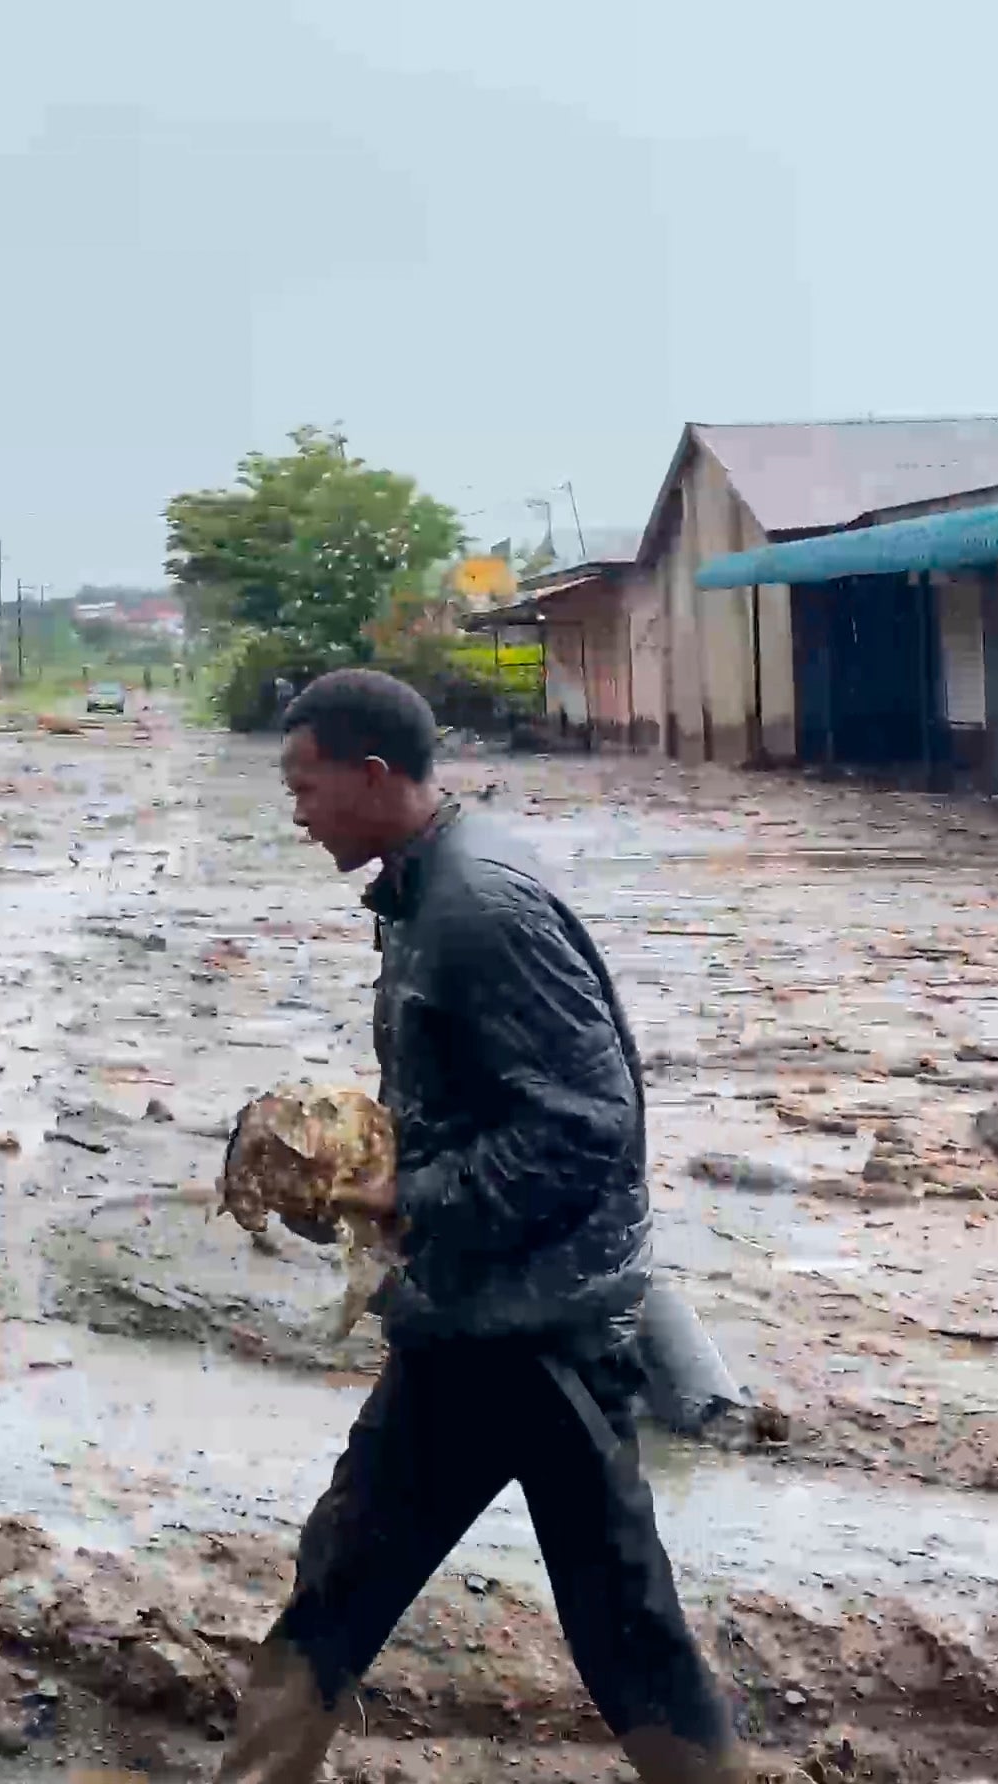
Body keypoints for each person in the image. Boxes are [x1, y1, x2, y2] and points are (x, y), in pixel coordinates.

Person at [228, 667, 749, 1784]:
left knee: (618, 1623)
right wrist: (347, 1163)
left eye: (305, 785)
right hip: (469, 1315)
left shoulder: (479, 908)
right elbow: (479, 1102)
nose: (295, 809)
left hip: (534, 1331)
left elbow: (585, 1123)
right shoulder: (424, 887)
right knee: (346, 1574)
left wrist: (406, 1197)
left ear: (372, 777)